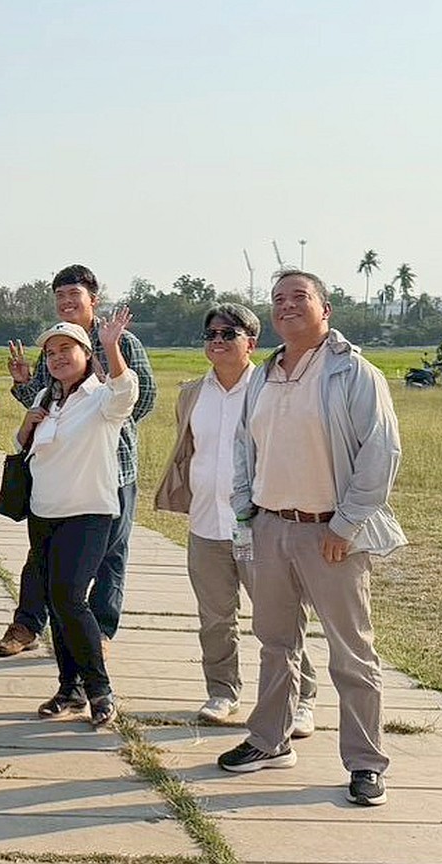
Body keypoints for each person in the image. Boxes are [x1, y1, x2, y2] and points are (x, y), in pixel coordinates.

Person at [217, 271, 405, 809]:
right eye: (278, 299)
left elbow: (381, 453)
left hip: (332, 534)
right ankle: (268, 741)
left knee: (351, 654)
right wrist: (244, 509)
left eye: (300, 297)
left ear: (326, 309)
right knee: (276, 644)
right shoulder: (264, 373)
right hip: (271, 526)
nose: (287, 306)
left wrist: (344, 525)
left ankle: (367, 763)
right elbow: (242, 446)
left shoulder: (353, 372)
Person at [154, 304, 318, 731]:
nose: (218, 341)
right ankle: (222, 691)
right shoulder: (193, 392)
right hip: (206, 524)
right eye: (211, 334)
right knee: (215, 617)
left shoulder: (268, 389)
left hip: (258, 525)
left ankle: (300, 698)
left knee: (277, 617)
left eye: (229, 333)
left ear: (252, 341)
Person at [0, 264, 156, 657]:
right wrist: (21, 382)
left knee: (111, 552)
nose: (67, 303)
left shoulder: (121, 341)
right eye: (60, 297)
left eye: (74, 296)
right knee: (42, 554)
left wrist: (100, 416)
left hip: (112, 468)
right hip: (59, 475)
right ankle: (27, 625)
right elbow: (44, 401)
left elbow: (144, 396)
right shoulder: (55, 343)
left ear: (92, 300)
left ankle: (97, 629)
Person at [21, 315, 138, 728]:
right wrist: (28, 425)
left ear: (85, 355)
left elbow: (128, 393)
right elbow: (27, 449)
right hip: (44, 512)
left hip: (88, 512)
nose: (56, 358)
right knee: (57, 603)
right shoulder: (44, 399)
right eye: (50, 353)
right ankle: (68, 689)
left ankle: (99, 689)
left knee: (71, 598)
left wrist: (112, 346)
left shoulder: (101, 398)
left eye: (65, 350)